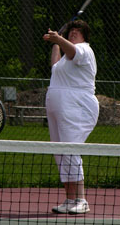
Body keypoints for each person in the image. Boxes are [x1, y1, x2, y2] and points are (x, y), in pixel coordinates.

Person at [43, 20, 99, 214]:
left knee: (71, 149)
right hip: (58, 107)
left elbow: (73, 51)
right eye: (72, 31)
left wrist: (59, 38)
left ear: (85, 36)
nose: (74, 33)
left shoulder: (84, 50)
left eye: (78, 31)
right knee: (60, 153)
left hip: (78, 106)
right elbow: (55, 66)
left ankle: (81, 200)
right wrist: (57, 43)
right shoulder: (66, 59)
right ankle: (69, 199)